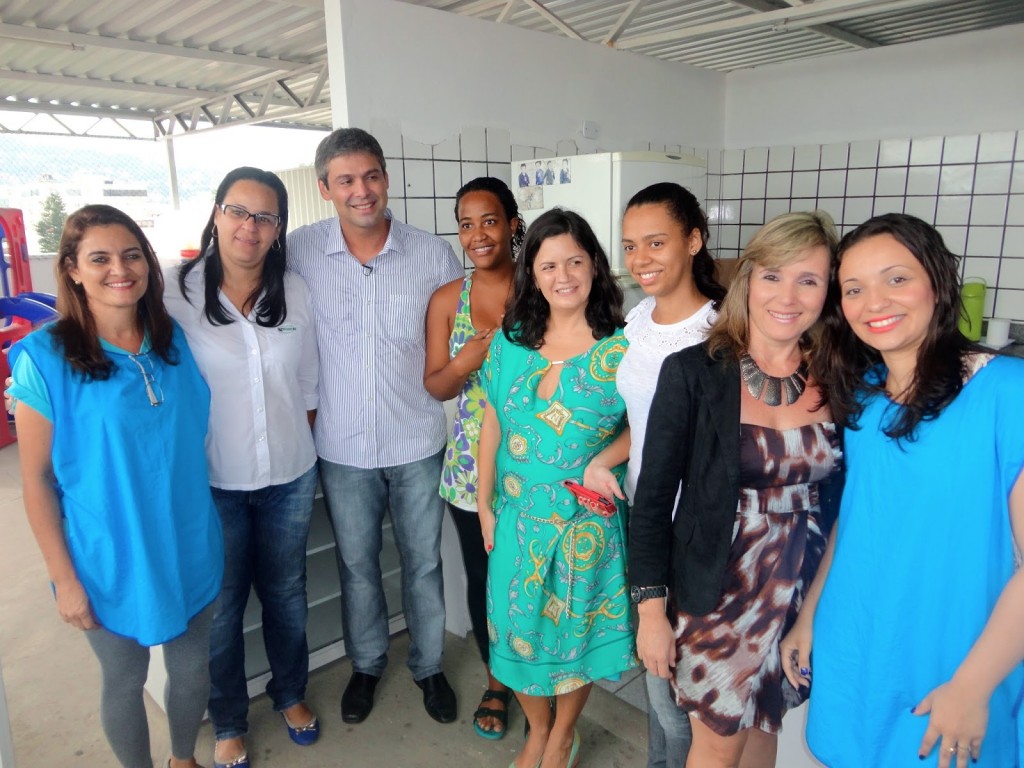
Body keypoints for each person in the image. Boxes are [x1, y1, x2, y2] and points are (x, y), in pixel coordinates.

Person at [782, 214, 1024, 768]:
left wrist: (972, 686)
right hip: (855, 644)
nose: (875, 302)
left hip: (954, 665)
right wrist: (810, 615)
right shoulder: (865, 395)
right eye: (854, 289)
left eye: (896, 279)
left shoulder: (1007, 394)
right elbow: (857, 520)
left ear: (937, 282)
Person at [10, 204, 223, 768]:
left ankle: (183, 759)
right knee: (125, 679)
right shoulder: (44, 358)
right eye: (99, 258)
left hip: (189, 539)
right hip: (106, 555)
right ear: (72, 269)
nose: (119, 270)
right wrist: (65, 579)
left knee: (191, 668)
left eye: (132, 255)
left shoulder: (173, 341)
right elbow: (35, 479)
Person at [630, 211, 843, 768]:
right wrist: (651, 613)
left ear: (828, 290)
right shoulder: (693, 372)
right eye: (773, 275)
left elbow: (846, 501)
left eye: (808, 279)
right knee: (718, 747)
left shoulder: (840, 376)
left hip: (801, 594)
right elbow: (651, 502)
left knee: (764, 729)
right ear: (748, 279)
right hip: (717, 595)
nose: (788, 296)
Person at [287, 127, 463, 727]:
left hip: (416, 440)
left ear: (386, 178)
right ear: (325, 188)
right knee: (357, 566)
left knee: (423, 563)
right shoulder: (300, 252)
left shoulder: (432, 254)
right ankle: (366, 664)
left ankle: (429, 664)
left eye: (370, 176)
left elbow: (456, 341)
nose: (360, 191)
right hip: (342, 446)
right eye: (346, 181)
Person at [165, 167, 320, 768]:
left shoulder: (296, 289)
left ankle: (290, 694)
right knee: (223, 608)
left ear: (279, 228)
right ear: (216, 214)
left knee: (286, 593)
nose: (249, 227)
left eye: (264, 217)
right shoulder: (174, 291)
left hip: (290, 475)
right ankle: (228, 720)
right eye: (237, 211)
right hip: (213, 482)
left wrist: (291, 443)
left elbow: (308, 381)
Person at [478, 207, 634, 768]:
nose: (563, 275)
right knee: (513, 628)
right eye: (548, 265)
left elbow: (650, 425)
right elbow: (492, 422)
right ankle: (537, 728)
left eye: (575, 261)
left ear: (594, 266)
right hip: (516, 517)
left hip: (584, 526)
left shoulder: (623, 348)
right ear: (533, 274)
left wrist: (605, 460)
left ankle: (562, 735)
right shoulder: (512, 340)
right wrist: (484, 505)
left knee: (573, 637)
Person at [584, 182, 725, 768]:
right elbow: (644, 422)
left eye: (656, 242)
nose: (640, 259)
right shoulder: (638, 320)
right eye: (630, 246)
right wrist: (604, 458)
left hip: (692, 533)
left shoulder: (722, 333)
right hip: (644, 516)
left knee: (678, 695)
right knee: (655, 672)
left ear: (693, 240)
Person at [424, 177, 523, 740]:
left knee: (537, 580)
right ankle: (497, 682)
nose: (478, 234)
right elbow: (437, 385)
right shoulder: (448, 300)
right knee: (485, 579)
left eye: (489, 221)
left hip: (538, 464)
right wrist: (465, 361)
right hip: (469, 469)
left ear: (512, 224)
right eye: (466, 224)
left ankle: (542, 682)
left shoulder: (542, 286)